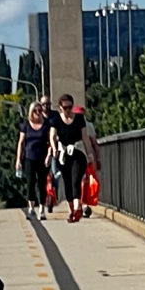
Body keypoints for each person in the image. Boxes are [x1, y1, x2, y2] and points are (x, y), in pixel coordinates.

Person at [45, 92, 96, 222]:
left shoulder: (79, 119)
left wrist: (90, 154)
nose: (68, 110)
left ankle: (78, 208)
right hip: (64, 154)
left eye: (70, 107)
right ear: (60, 108)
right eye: (65, 108)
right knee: (67, 182)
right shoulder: (55, 120)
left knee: (75, 179)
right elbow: (52, 136)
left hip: (78, 152)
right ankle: (72, 210)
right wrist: (55, 149)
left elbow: (85, 137)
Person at [16, 97, 52, 220]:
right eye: (35, 110)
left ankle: (42, 209)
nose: (37, 112)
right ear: (31, 112)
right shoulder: (25, 125)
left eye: (39, 110)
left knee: (42, 183)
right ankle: (31, 207)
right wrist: (18, 160)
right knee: (31, 182)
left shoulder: (46, 124)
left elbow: (51, 141)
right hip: (29, 157)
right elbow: (21, 143)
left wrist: (49, 155)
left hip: (42, 157)